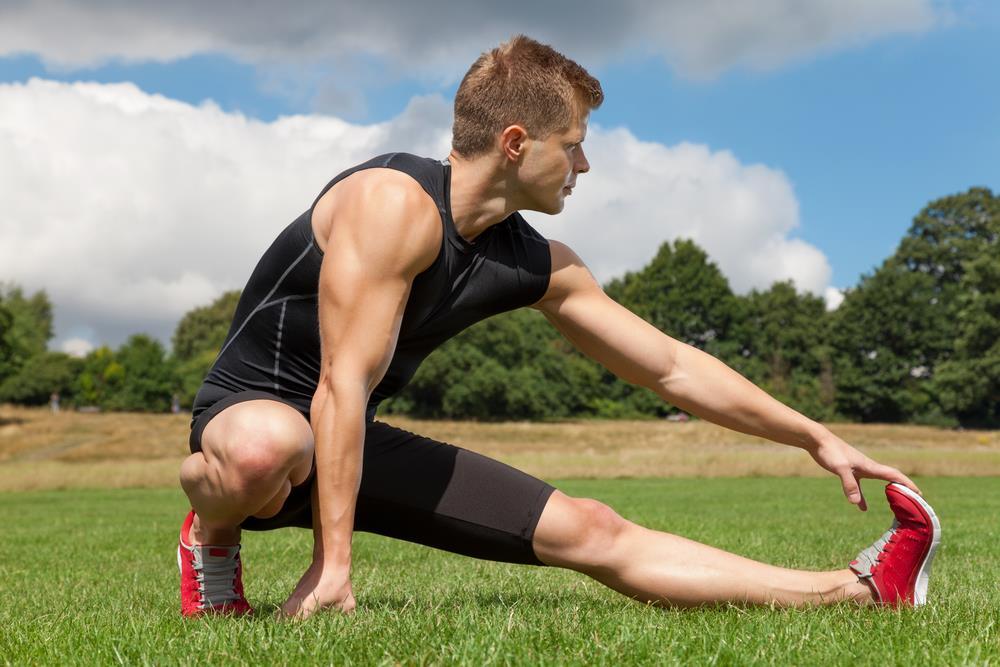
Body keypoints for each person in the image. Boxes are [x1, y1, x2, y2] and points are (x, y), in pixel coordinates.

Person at [177, 35, 940, 619]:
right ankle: (211, 534)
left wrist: (814, 435)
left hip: (349, 443)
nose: (584, 165)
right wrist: (332, 566)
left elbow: (669, 368)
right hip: (255, 423)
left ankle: (860, 591)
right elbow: (342, 381)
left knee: (592, 528)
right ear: (517, 143)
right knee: (269, 446)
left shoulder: (536, 262)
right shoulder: (391, 204)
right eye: (573, 144)